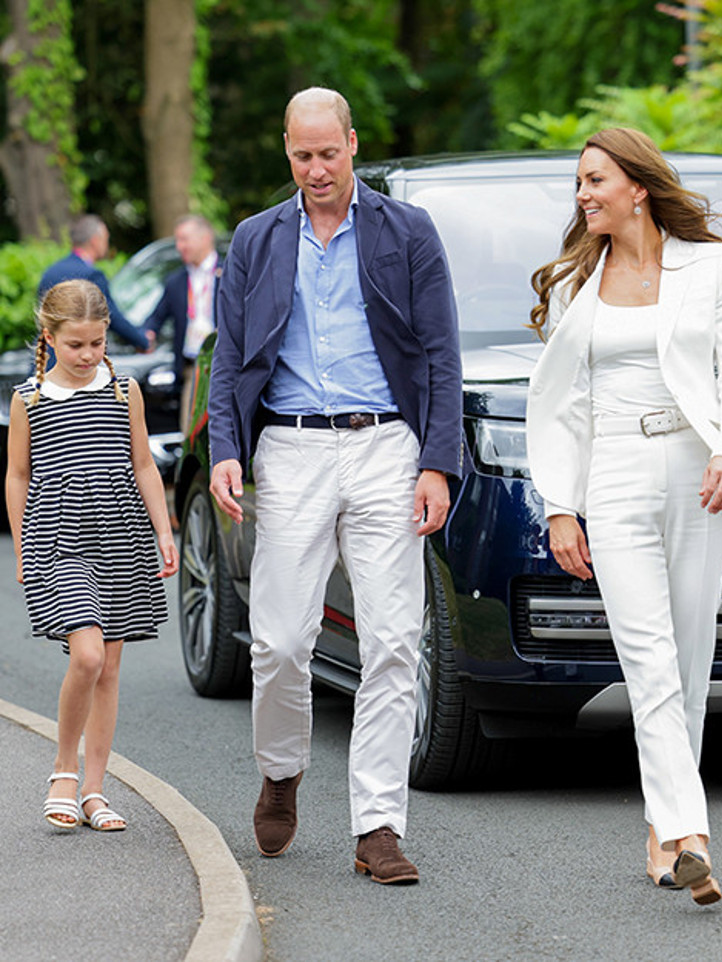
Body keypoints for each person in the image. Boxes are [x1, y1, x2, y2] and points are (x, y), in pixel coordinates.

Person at [208, 87, 464, 884]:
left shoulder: (407, 230)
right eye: (302, 156)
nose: (316, 169)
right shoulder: (256, 238)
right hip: (290, 449)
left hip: (386, 445)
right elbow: (230, 353)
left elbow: (442, 351)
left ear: (352, 144)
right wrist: (226, 447)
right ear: (286, 151)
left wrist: (437, 462)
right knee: (281, 640)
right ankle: (282, 770)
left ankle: (377, 826)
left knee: (392, 639)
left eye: (328, 153)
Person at [526, 127, 722, 905]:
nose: (583, 194)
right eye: (579, 183)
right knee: (649, 661)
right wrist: (562, 507)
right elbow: (562, 406)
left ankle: (665, 832)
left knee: (689, 664)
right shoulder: (575, 281)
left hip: (697, 474)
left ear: (639, 187)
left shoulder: (707, 265)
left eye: (595, 180)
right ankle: (694, 836)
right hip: (616, 475)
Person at [5, 279, 179, 832]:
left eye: (97, 343)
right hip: (57, 540)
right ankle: (63, 770)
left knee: (109, 667)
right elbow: (17, 476)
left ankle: (95, 790)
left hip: (121, 538)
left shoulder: (125, 390)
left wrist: (164, 531)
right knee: (86, 656)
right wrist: (22, 546)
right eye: (75, 344)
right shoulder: (29, 399)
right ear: (49, 337)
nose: (87, 355)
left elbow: (144, 464)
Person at [143, 214, 221, 433]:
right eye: (178, 240)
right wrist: (145, 335)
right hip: (193, 368)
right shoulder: (176, 281)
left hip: (224, 365)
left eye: (184, 239)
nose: (180, 247)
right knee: (191, 432)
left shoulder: (231, 271)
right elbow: (156, 318)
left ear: (205, 238)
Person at [39, 215, 150, 352]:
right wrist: (143, 341)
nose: (107, 245)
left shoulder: (51, 271)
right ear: (95, 241)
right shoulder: (92, 276)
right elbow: (111, 316)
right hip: (79, 356)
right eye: (106, 239)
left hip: (47, 353)